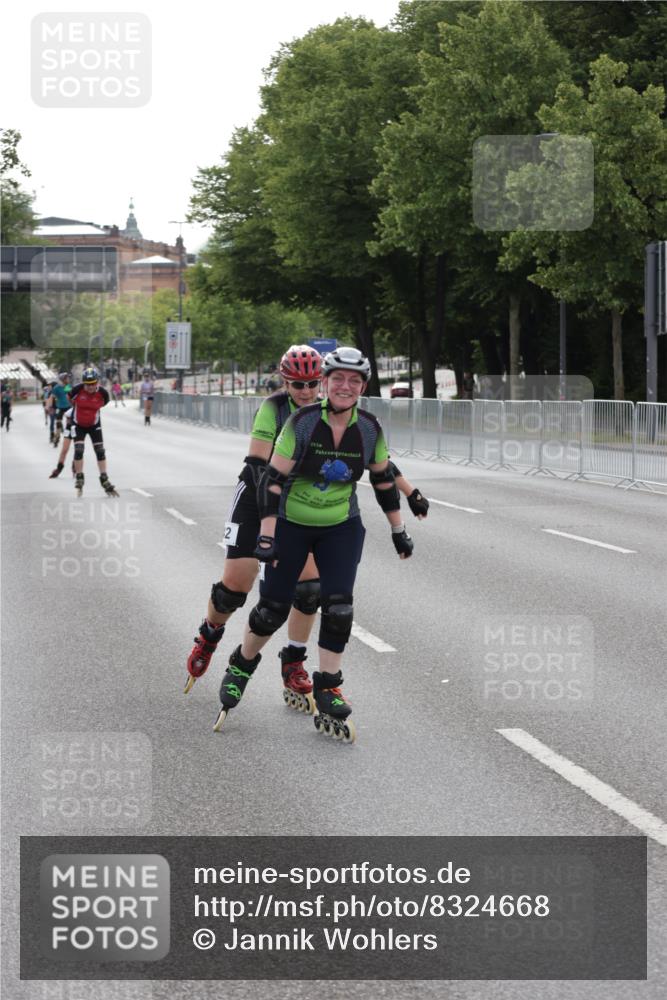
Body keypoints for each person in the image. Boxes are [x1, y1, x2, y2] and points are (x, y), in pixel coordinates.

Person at [212, 346, 415, 742]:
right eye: (336, 379)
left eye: (354, 381)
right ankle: (241, 664)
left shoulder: (369, 426)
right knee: (271, 610)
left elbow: (382, 473)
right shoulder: (300, 422)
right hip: (289, 519)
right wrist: (267, 533)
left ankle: (328, 684)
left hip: (340, 524)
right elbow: (268, 477)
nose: (344, 386)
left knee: (335, 605)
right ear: (326, 382)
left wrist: (399, 527)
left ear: (363, 386)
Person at [185, 345, 325, 708]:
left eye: (312, 383)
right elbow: (259, 465)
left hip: (298, 505)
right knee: (234, 589)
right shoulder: (273, 408)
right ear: (285, 382)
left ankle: (293, 662)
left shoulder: (331, 415)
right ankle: (210, 633)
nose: (306, 391)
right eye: (298, 384)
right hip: (256, 497)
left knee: (310, 589)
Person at [69, 367, 118, 497]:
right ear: (83, 383)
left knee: (100, 451)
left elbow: (105, 402)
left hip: (94, 424)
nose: (90, 387)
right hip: (78, 423)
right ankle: (79, 476)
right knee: (79, 450)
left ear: (97, 382)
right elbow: (70, 399)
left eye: (93, 384)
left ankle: (104, 478)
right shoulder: (77, 390)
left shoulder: (103, 393)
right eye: (87, 384)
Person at [48, 407, 76, 478]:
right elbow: (66, 415)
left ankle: (75, 466)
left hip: (79, 427)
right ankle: (59, 468)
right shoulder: (72, 399)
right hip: (69, 427)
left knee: (78, 449)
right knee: (64, 449)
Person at [50, 372, 72, 447]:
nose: (68, 379)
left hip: (68, 407)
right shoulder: (56, 388)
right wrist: (52, 407)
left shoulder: (67, 386)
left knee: (69, 423)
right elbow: (52, 397)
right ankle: (57, 437)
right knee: (58, 423)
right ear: (63, 379)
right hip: (60, 407)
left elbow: (70, 396)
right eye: (67, 378)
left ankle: (68, 437)